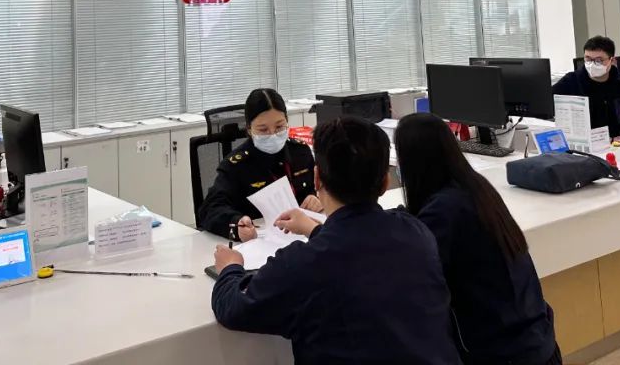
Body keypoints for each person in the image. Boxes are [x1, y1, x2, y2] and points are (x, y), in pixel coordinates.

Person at [211, 117, 460, 365]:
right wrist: (316, 231)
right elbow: (357, 253)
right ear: (385, 182)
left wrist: (230, 268)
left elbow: (234, 309)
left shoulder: (301, 264)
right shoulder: (417, 232)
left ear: (317, 179)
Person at [392, 113, 560, 365]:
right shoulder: (476, 188)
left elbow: (418, 277)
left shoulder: (443, 212)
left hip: (504, 351)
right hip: (536, 339)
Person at [197, 89, 321, 241]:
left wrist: (316, 198)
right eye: (263, 130)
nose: (272, 134)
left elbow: (317, 188)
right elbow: (209, 210)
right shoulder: (237, 165)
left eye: (279, 127)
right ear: (249, 129)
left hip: (303, 236)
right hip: (259, 240)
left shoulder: (301, 152)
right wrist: (236, 225)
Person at [551, 36, 620, 137]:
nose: (592, 64)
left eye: (598, 60)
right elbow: (547, 107)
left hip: (619, 142)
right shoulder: (571, 81)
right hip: (585, 141)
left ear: (612, 60)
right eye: (588, 59)